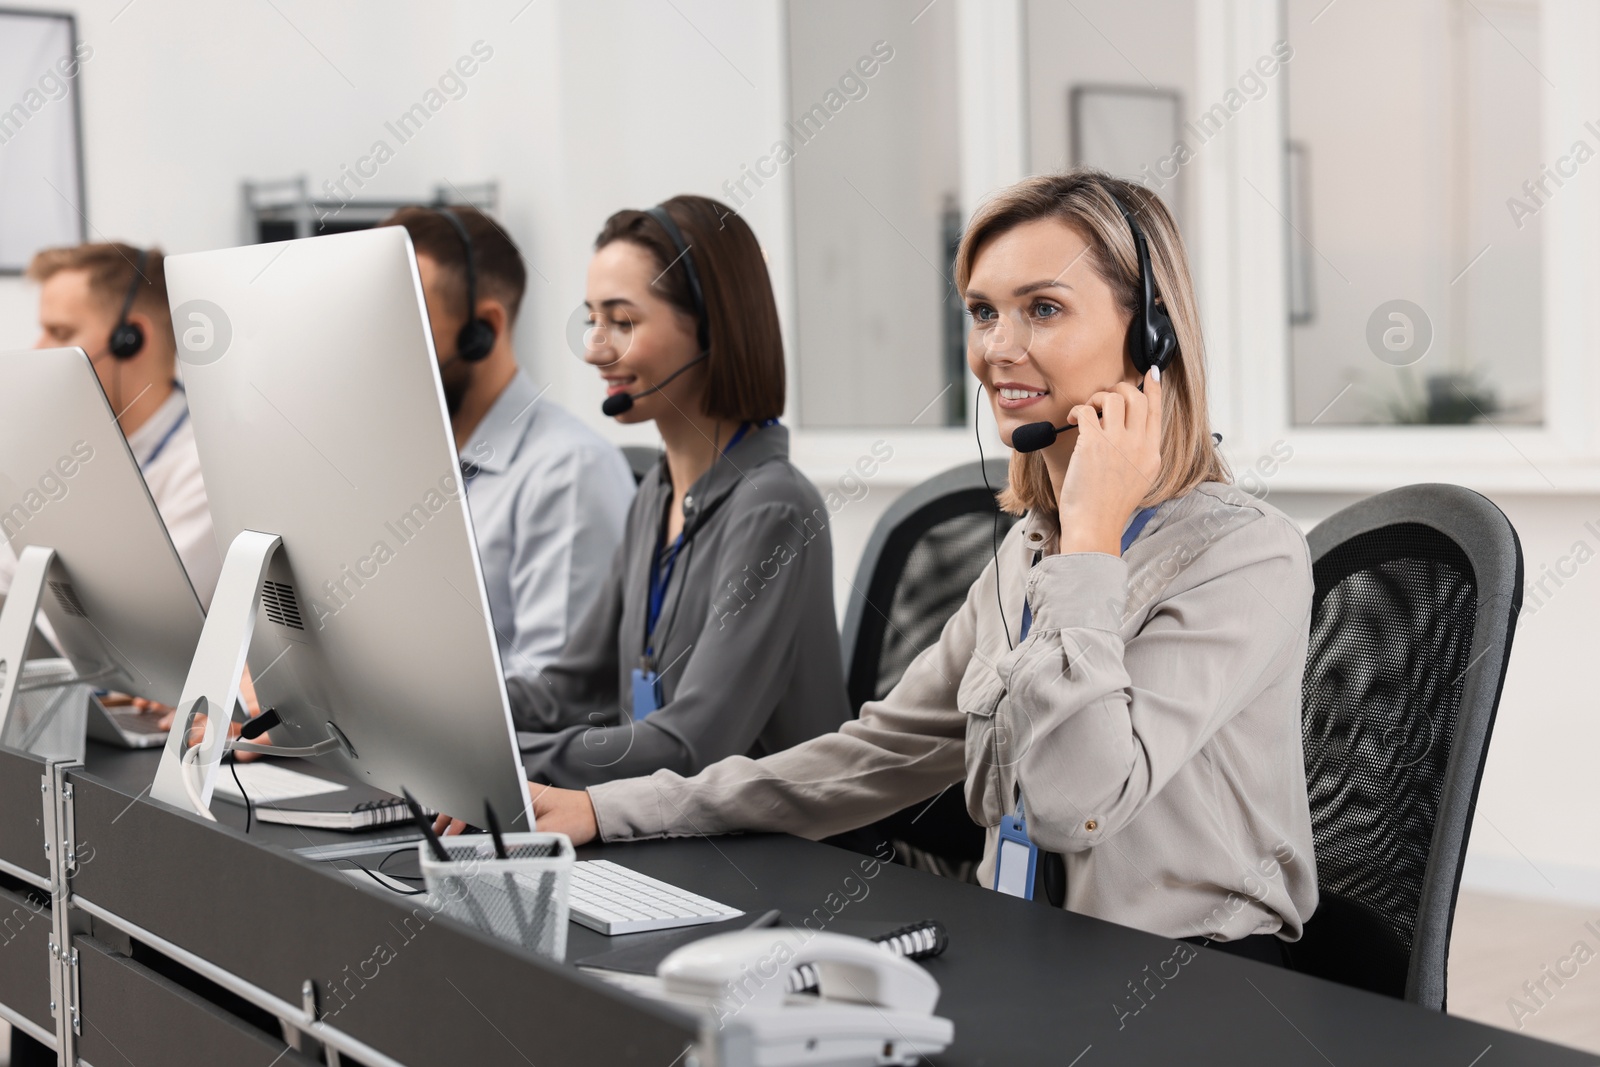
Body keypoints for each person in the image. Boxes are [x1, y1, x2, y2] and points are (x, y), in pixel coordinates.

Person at [504, 172, 1320, 956]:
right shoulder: (1027, 550)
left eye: (1042, 308)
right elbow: (873, 752)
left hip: (1185, 981)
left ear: (1152, 335)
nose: (999, 348)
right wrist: (610, 809)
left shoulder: (1245, 555)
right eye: (982, 312)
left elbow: (1078, 805)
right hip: (1034, 955)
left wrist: (1093, 544)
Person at [489, 194, 849, 788]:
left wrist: (508, 763)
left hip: (777, 858)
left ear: (712, 329)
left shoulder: (775, 508)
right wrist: (450, 715)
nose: (596, 349)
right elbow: (571, 691)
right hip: (667, 829)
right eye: (592, 320)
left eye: (623, 322)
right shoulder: (655, 494)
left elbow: (692, 747)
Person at [378, 206, 634, 680]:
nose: (380, 346)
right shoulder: (398, 466)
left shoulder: (569, 472)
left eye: (404, 320)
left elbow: (553, 693)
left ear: (483, 332)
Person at [2, 243, 220, 605]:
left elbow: (144, 616)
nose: (37, 350)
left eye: (59, 332)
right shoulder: (68, 450)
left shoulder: (206, 470)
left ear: (129, 341)